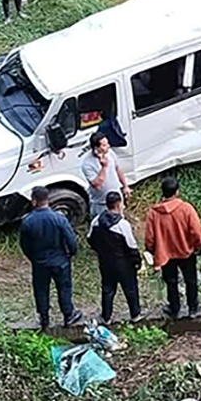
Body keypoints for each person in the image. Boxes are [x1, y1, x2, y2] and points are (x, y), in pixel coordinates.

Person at [19, 186, 83, 328]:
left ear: (34, 201)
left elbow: (24, 245)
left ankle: (44, 317)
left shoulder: (27, 222)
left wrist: (33, 257)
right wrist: (70, 253)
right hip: (60, 260)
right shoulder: (59, 219)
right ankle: (68, 314)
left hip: (40, 262)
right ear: (47, 200)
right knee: (64, 288)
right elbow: (70, 239)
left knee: (41, 290)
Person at [145, 177, 201, 318]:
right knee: (191, 280)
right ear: (177, 192)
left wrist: (154, 251)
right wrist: (198, 246)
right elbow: (197, 231)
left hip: (165, 254)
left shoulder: (154, 213)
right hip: (186, 252)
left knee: (171, 282)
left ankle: (174, 308)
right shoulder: (186, 209)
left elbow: (149, 238)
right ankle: (193, 308)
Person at [88, 190, 141, 323]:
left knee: (108, 289)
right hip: (123, 263)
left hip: (105, 262)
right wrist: (137, 262)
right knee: (130, 289)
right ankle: (135, 315)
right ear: (118, 204)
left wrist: (100, 251)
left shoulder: (96, 221)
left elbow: (90, 239)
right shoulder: (122, 225)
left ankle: (106, 317)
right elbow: (131, 246)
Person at [82, 132, 131, 221]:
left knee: (119, 221)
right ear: (96, 148)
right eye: (104, 145)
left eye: (107, 143)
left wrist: (125, 186)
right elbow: (96, 184)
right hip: (101, 203)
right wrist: (104, 167)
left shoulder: (110, 153)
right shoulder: (87, 164)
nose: (108, 146)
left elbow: (117, 169)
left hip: (116, 199)